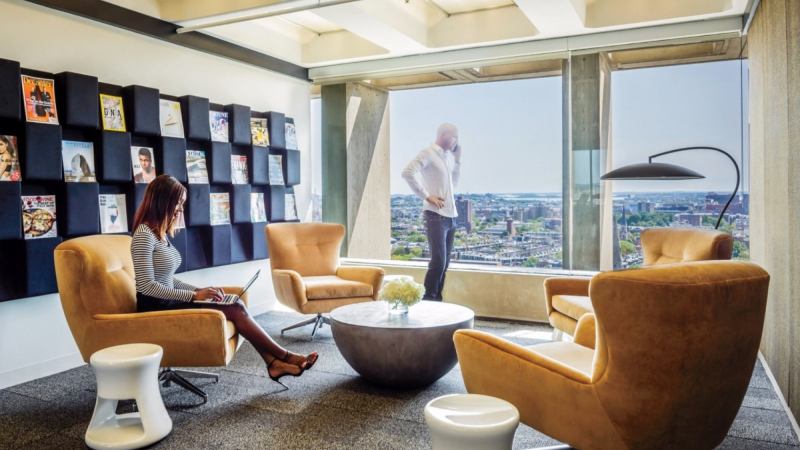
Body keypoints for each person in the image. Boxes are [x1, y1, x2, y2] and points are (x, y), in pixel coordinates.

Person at [131, 175, 317, 385]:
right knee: (235, 307)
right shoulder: (144, 234)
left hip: (169, 301)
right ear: (163, 201)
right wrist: (194, 296)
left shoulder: (160, 234)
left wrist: (201, 291)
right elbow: (146, 286)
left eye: (182, 203)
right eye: (178, 203)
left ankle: (274, 364)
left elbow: (168, 280)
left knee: (234, 302)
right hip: (156, 306)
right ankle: (285, 357)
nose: (181, 209)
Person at [401, 123, 462, 300]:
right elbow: (407, 172)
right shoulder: (428, 153)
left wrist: (457, 161)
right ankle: (428, 302)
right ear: (444, 135)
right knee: (438, 263)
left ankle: (437, 301)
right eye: (454, 137)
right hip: (436, 216)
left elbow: (453, 186)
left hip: (451, 217)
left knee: (444, 264)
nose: (456, 141)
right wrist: (427, 196)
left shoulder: (446, 158)